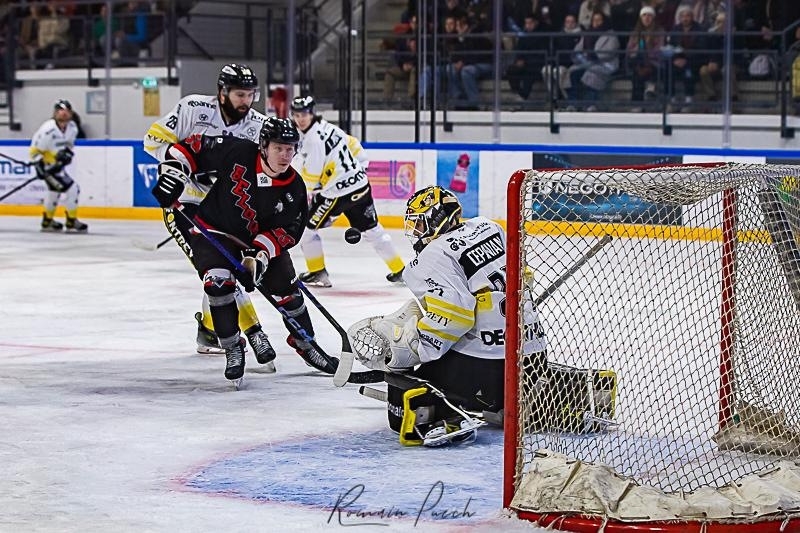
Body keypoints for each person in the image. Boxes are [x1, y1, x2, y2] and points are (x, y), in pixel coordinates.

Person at [348, 186, 548, 446]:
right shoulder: (489, 227)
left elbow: (455, 316)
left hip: (485, 367)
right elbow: (526, 276)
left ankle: (449, 416)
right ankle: (508, 402)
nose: (416, 231)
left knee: (404, 391)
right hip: (532, 358)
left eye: (419, 223)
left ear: (437, 219)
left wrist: (416, 346)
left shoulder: (432, 256)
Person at [150, 117, 325, 381]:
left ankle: (306, 343)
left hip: (257, 242)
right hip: (216, 231)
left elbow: (288, 232)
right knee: (218, 285)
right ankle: (233, 347)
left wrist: (260, 256)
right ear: (264, 146)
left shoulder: (294, 187)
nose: (285, 155)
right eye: (279, 147)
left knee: (287, 290)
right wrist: (174, 174)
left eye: (290, 148)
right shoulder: (239, 151)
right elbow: (194, 147)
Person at [143, 63, 276, 368]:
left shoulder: (259, 126)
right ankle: (254, 330)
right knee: (223, 271)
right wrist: (179, 167)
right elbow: (153, 141)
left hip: (229, 212)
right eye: (240, 94)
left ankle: (209, 331)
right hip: (187, 208)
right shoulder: (193, 108)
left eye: (251, 95)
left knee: (226, 273)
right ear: (222, 92)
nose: (246, 101)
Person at [289, 95, 405, 288]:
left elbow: (312, 175)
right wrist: (361, 167)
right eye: (297, 115)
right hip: (361, 184)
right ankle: (401, 270)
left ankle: (318, 271)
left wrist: (302, 196)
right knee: (372, 230)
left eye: (304, 114)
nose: (300, 119)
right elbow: (353, 144)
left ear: (312, 114)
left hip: (337, 193)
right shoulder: (329, 127)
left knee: (307, 230)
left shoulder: (312, 140)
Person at [30, 99, 88, 233]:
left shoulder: (72, 128)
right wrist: (40, 168)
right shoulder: (48, 130)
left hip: (58, 167)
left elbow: (68, 146)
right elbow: (34, 150)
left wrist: (66, 156)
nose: (64, 114)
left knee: (53, 192)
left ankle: (47, 221)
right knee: (72, 189)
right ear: (55, 113)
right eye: (61, 111)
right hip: (48, 168)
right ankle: (71, 221)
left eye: (67, 111)